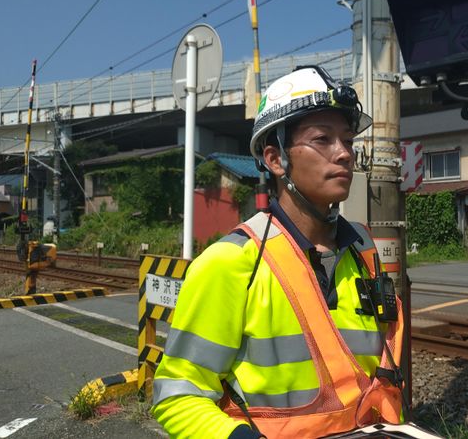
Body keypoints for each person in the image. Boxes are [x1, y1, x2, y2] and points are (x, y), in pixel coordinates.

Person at [151, 66, 405, 439]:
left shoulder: (363, 252)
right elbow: (178, 396)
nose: (344, 154)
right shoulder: (232, 263)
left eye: (348, 140)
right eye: (323, 139)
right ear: (275, 159)